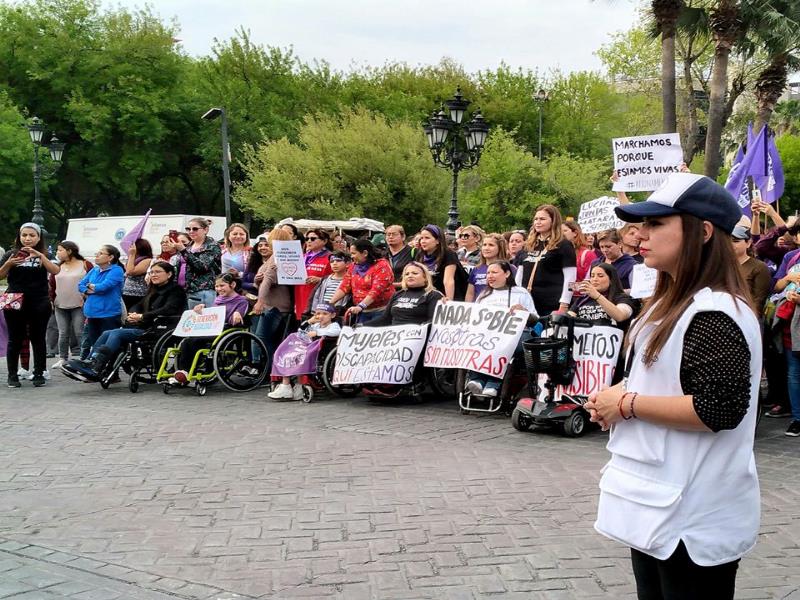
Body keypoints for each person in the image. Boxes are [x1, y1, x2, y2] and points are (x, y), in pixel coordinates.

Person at [585, 173, 761, 599]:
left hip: (694, 518)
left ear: (702, 232)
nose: (641, 235)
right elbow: (660, 374)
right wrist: (613, 396)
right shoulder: (667, 305)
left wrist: (626, 404)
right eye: (643, 226)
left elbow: (716, 409)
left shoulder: (716, 311)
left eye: (658, 224)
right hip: (657, 507)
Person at [61, 261, 187, 382]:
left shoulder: (176, 290)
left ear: (169, 274)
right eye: (152, 272)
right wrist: (134, 313)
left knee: (116, 333)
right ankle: (91, 362)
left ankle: (97, 365)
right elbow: (139, 304)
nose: (153, 275)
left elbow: (168, 309)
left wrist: (142, 317)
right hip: (145, 325)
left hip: (161, 328)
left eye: (158, 272)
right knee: (107, 333)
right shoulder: (153, 289)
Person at [0, 222, 60, 388]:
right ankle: (12, 376)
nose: (27, 238)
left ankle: (39, 373)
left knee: (38, 338)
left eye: (32, 235)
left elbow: (55, 271)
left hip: (39, 300)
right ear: (19, 237)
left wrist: (40, 256)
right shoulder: (11, 254)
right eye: (24, 235)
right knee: (15, 339)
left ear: (38, 238)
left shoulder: (45, 254)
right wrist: (9, 264)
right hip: (14, 299)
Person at [464, 261, 537, 397]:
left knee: (504, 345)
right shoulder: (484, 295)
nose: (490, 276)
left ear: (507, 274)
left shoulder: (521, 293)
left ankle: (493, 383)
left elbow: (535, 319)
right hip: (486, 335)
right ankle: (477, 380)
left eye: (494, 272)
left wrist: (524, 311)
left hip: (512, 336)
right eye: (488, 273)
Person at [171, 274, 249, 384]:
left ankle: (186, 371)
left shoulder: (241, 301)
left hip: (227, 330)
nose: (219, 289)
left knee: (194, 341)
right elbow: (214, 316)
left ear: (233, 284)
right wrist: (202, 309)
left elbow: (237, 320)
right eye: (216, 286)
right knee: (186, 341)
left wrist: (237, 314)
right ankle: (183, 371)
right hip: (214, 328)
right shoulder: (218, 299)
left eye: (222, 285)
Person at [267, 302, 342, 401]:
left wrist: (317, 333)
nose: (321, 316)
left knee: (299, 357)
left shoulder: (334, 326)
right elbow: (300, 332)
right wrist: (309, 322)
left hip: (319, 351)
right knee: (287, 355)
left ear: (332, 315)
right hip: (306, 348)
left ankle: (294, 386)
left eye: (324, 314)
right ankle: (286, 385)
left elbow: (337, 332)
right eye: (318, 314)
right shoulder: (315, 325)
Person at [514, 204, 576, 316]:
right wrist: (516, 298)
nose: (538, 222)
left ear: (553, 221)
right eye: (536, 219)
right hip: (527, 303)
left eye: (542, 219)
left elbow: (571, 278)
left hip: (552, 305)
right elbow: (519, 275)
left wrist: (564, 304)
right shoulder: (528, 245)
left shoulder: (564, 245)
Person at [252, 229, 294, 365]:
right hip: (277, 304)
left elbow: (268, 281)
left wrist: (260, 301)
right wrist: (257, 281)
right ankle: (271, 369)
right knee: (270, 340)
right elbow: (264, 282)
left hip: (274, 306)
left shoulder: (276, 258)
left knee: (261, 338)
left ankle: (267, 368)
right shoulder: (281, 257)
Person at [329, 239, 394, 324]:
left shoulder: (382, 266)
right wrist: (330, 303)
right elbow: (344, 287)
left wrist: (361, 305)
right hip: (362, 311)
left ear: (365, 253)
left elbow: (376, 290)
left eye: (353, 253)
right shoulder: (353, 266)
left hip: (381, 311)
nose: (351, 256)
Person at [51, 241, 92, 370]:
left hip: (78, 304)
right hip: (60, 304)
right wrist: (52, 299)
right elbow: (52, 285)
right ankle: (63, 358)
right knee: (63, 333)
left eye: (60, 250)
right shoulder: (58, 266)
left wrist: (87, 295)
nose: (57, 253)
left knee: (80, 332)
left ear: (69, 251)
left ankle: (85, 358)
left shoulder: (85, 264)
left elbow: (92, 280)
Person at [78, 245, 125, 359]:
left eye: (101, 253)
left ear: (110, 257)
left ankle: (111, 372)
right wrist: (89, 289)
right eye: (97, 253)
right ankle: (96, 369)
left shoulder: (116, 270)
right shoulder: (94, 270)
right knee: (95, 344)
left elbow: (104, 287)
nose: (97, 255)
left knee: (108, 346)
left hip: (109, 313)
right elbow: (80, 285)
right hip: (92, 312)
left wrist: (92, 287)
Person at [366, 262, 443, 327]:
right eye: (407, 274)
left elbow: (433, 321)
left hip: (417, 338)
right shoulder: (397, 294)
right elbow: (385, 319)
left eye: (415, 273)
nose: (410, 276)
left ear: (425, 277)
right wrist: (362, 326)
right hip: (394, 338)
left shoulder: (433, 295)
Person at [170, 217, 221, 308]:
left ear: (205, 230)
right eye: (188, 229)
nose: (191, 231)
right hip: (185, 290)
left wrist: (183, 250)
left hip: (203, 290)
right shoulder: (190, 245)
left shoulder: (212, 245)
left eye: (195, 229)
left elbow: (202, 266)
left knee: (201, 320)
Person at [569, 263, 635, 329]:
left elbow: (620, 316)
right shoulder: (582, 299)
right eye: (592, 276)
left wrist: (597, 296)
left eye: (600, 276)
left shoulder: (623, 298)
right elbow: (568, 318)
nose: (595, 279)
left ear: (611, 279)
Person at [416, 224, 467, 301]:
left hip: (451, 294)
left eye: (427, 238)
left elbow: (448, 281)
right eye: (421, 238)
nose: (423, 241)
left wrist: (449, 301)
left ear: (437, 240)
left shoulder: (448, 254)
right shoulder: (420, 255)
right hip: (429, 295)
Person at [294, 228, 333, 321]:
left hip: (317, 302)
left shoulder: (330, 258)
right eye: (307, 239)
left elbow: (338, 278)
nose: (309, 241)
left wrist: (320, 279)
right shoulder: (302, 257)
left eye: (313, 239)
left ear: (324, 241)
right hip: (300, 298)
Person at [731, 225, 771, 314]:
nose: (731, 244)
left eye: (735, 241)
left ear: (748, 243)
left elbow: (759, 301)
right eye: (727, 241)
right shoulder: (722, 265)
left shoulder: (759, 267)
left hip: (747, 317)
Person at [466, 233, 509, 302]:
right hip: (477, 309)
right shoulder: (476, 269)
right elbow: (470, 293)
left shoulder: (509, 268)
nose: (486, 248)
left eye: (491, 245)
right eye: (484, 245)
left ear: (500, 248)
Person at [562, 221, 598, 285]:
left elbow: (591, 281)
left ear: (575, 233)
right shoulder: (557, 252)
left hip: (578, 294)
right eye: (559, 231)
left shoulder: (587, 254)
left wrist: (570, 288)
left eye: (564, 231)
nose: (561, 234)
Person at [122, 238, 153, 310]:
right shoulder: (133, 260)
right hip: (127, 293)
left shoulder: (147, 260)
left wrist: (132, 254)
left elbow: (130, 271)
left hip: (138, 295)